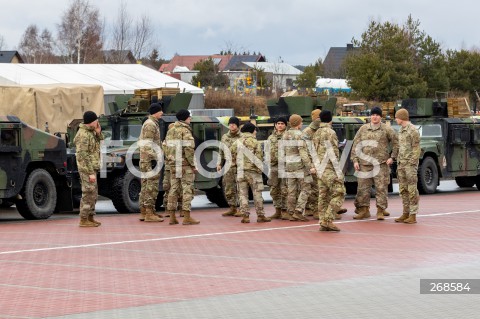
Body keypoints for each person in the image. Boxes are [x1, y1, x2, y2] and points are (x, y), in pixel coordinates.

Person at [351, 106, 398, 220]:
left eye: (377, 115)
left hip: (380, 164)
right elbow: (356, 145)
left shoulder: (387, 129)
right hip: (364, 164)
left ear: (380, 117)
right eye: (373, 115)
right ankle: (364, 210)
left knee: (381, 188)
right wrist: (355, 160)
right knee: (362, 189)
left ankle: (380, 211)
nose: (374, 117)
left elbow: (396, 143)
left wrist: (392, 157)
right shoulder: (363, 129)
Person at [231, 122, 271, 223]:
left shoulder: (237, 142)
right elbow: (259, 157)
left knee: (242, 194)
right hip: (253, 172)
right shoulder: (255, 142)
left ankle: (245, 216)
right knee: (257, 193)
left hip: (240, 171)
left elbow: (231, 155)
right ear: (252, 131)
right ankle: (260, 215)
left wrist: (236, 164)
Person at [313, 110, 346, 231]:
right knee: (340, 192)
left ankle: (322, 221)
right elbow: (333, 152)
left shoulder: (317, 132)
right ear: (331, 119)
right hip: (329, 168)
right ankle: (327, 220)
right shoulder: (330, 132)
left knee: (323, 195)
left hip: (319, 168)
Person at [166, 109, 200, 225]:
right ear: (185, 118)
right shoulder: (185, 131)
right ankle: (186, 217)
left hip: (173, 164)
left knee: (173, 189)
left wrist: (170, 159)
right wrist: (193, 165)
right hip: (185, 165)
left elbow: (165, 146)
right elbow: (189, 149)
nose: (190, 119)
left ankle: (172, 217)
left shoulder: (171, 130)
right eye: (189, 117)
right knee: (187, 189)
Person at [282, 114, 316, 221]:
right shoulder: (300, 135)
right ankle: (299, 210)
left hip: (289, 165)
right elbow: (303, 153)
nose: (302, 124)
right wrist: (310, 166)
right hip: (300, 166)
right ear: (298, 123)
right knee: (306, 188)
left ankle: (291, 212)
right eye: (301, 122)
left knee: (291, 190)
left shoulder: (285, 135)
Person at [74, 111, 104, 227]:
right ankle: (84, 219)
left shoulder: (91, 132)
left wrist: (98, 133)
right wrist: (90, 173)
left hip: (92, 168)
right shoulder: (83, 135)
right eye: (96, 120)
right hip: (87, 169)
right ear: (91, 121)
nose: (98, 122)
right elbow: (83, 156)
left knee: (93, 194)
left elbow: (98, 145)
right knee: (88, 193)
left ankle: (90, 217)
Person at [394, 108, 421, 224]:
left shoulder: (413, 130)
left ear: (402, 118)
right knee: (403, 189)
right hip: (401, 164)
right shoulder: (401, 130)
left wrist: (412, 162)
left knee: (412, 189)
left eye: (396, 117)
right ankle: (405, 212)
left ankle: (413, 214)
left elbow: (416, 148)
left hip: (410, 165)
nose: (395, 120)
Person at [138, 102, 164, 222]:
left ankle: (146, 211)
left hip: (146, 159)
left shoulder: (151, 123)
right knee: (151, 186)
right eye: (160, 110)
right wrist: (156, 157)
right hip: (150, 160)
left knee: (146, 185)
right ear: (156, 112)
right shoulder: (150, 125)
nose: (162, 112)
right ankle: (148, 213)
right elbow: (147, 144)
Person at [216, 116, 242, 217]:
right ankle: (232, 208)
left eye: (234, 124)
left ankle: (241, 208)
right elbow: (221, 151)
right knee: (228, 187)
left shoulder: (242, 137)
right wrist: (219, 163)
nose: (232, 126)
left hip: (239, 165)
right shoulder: (225, 137)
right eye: (230, 124)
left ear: (237, 125)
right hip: (228, 165)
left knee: (240, 187)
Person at [267, 116, 288, 219]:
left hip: (285, 166)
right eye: (278, 123)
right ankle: (278, 210)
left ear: (285, 125)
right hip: (274, 166)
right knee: (274, 188)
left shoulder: (288, 136)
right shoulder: (271, 137)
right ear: (275, 125)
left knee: (285, 189)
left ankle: (285, 210)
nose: (280, 125)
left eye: (282, 124)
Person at [162, 123, 183, 219]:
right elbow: (165, 152)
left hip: (179, 166)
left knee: (181, 187)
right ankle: (167, 208)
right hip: (169, 167)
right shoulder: (165, 142)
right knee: (168, 187)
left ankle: (182, 208)